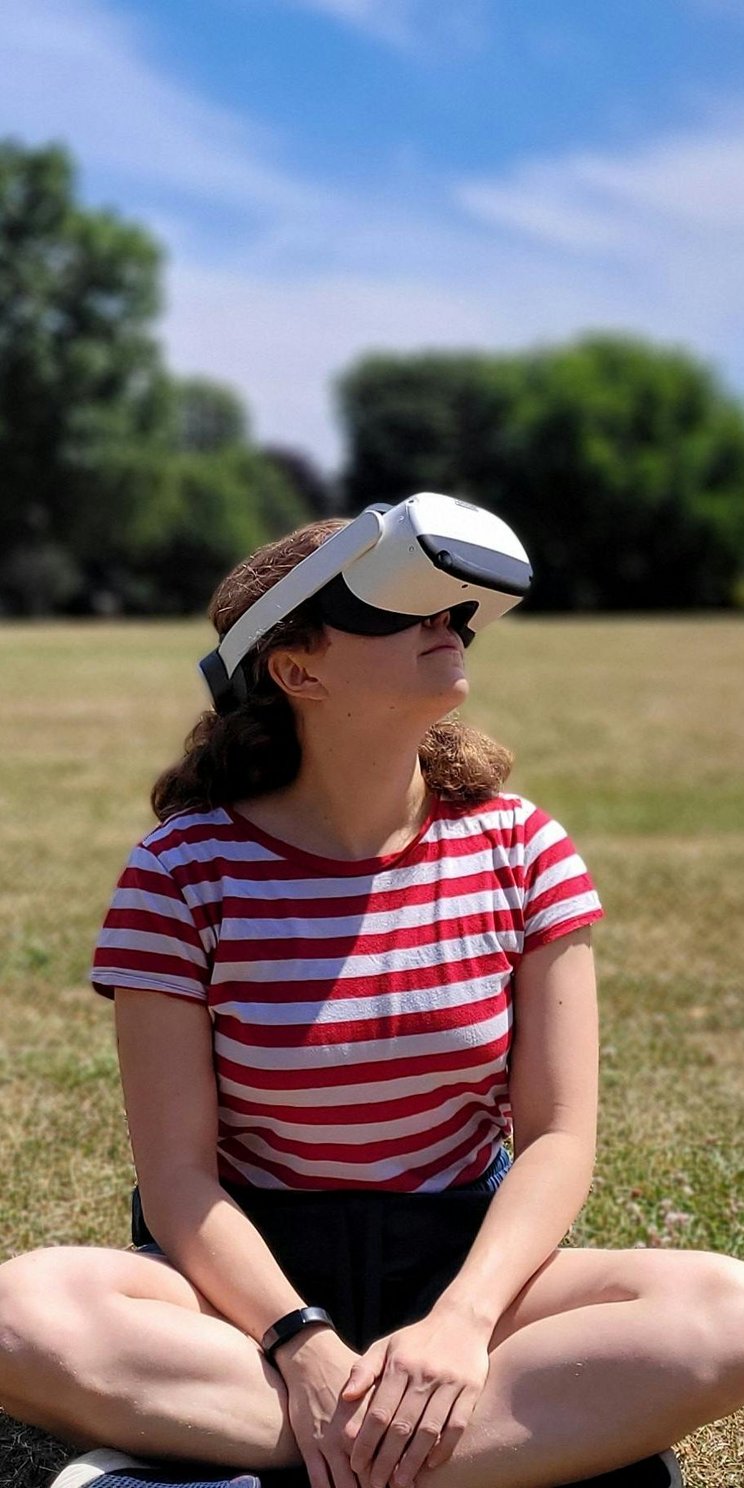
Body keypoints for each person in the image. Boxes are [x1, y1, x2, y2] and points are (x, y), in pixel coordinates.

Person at [1, 506, 743, 1488]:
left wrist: (462, 1322)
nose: (448, 625)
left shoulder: (525, 849)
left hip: (462, 1264)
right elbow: (179, 1182)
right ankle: (485, 1449)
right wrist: (300, 1343)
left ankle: (245, 1455)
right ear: (296, 669)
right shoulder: (181, 871)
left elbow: (559, 1135)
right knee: (21, 1313)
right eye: (399, 610)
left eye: (454, 611)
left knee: (727, 1312)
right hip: (244, 1292)